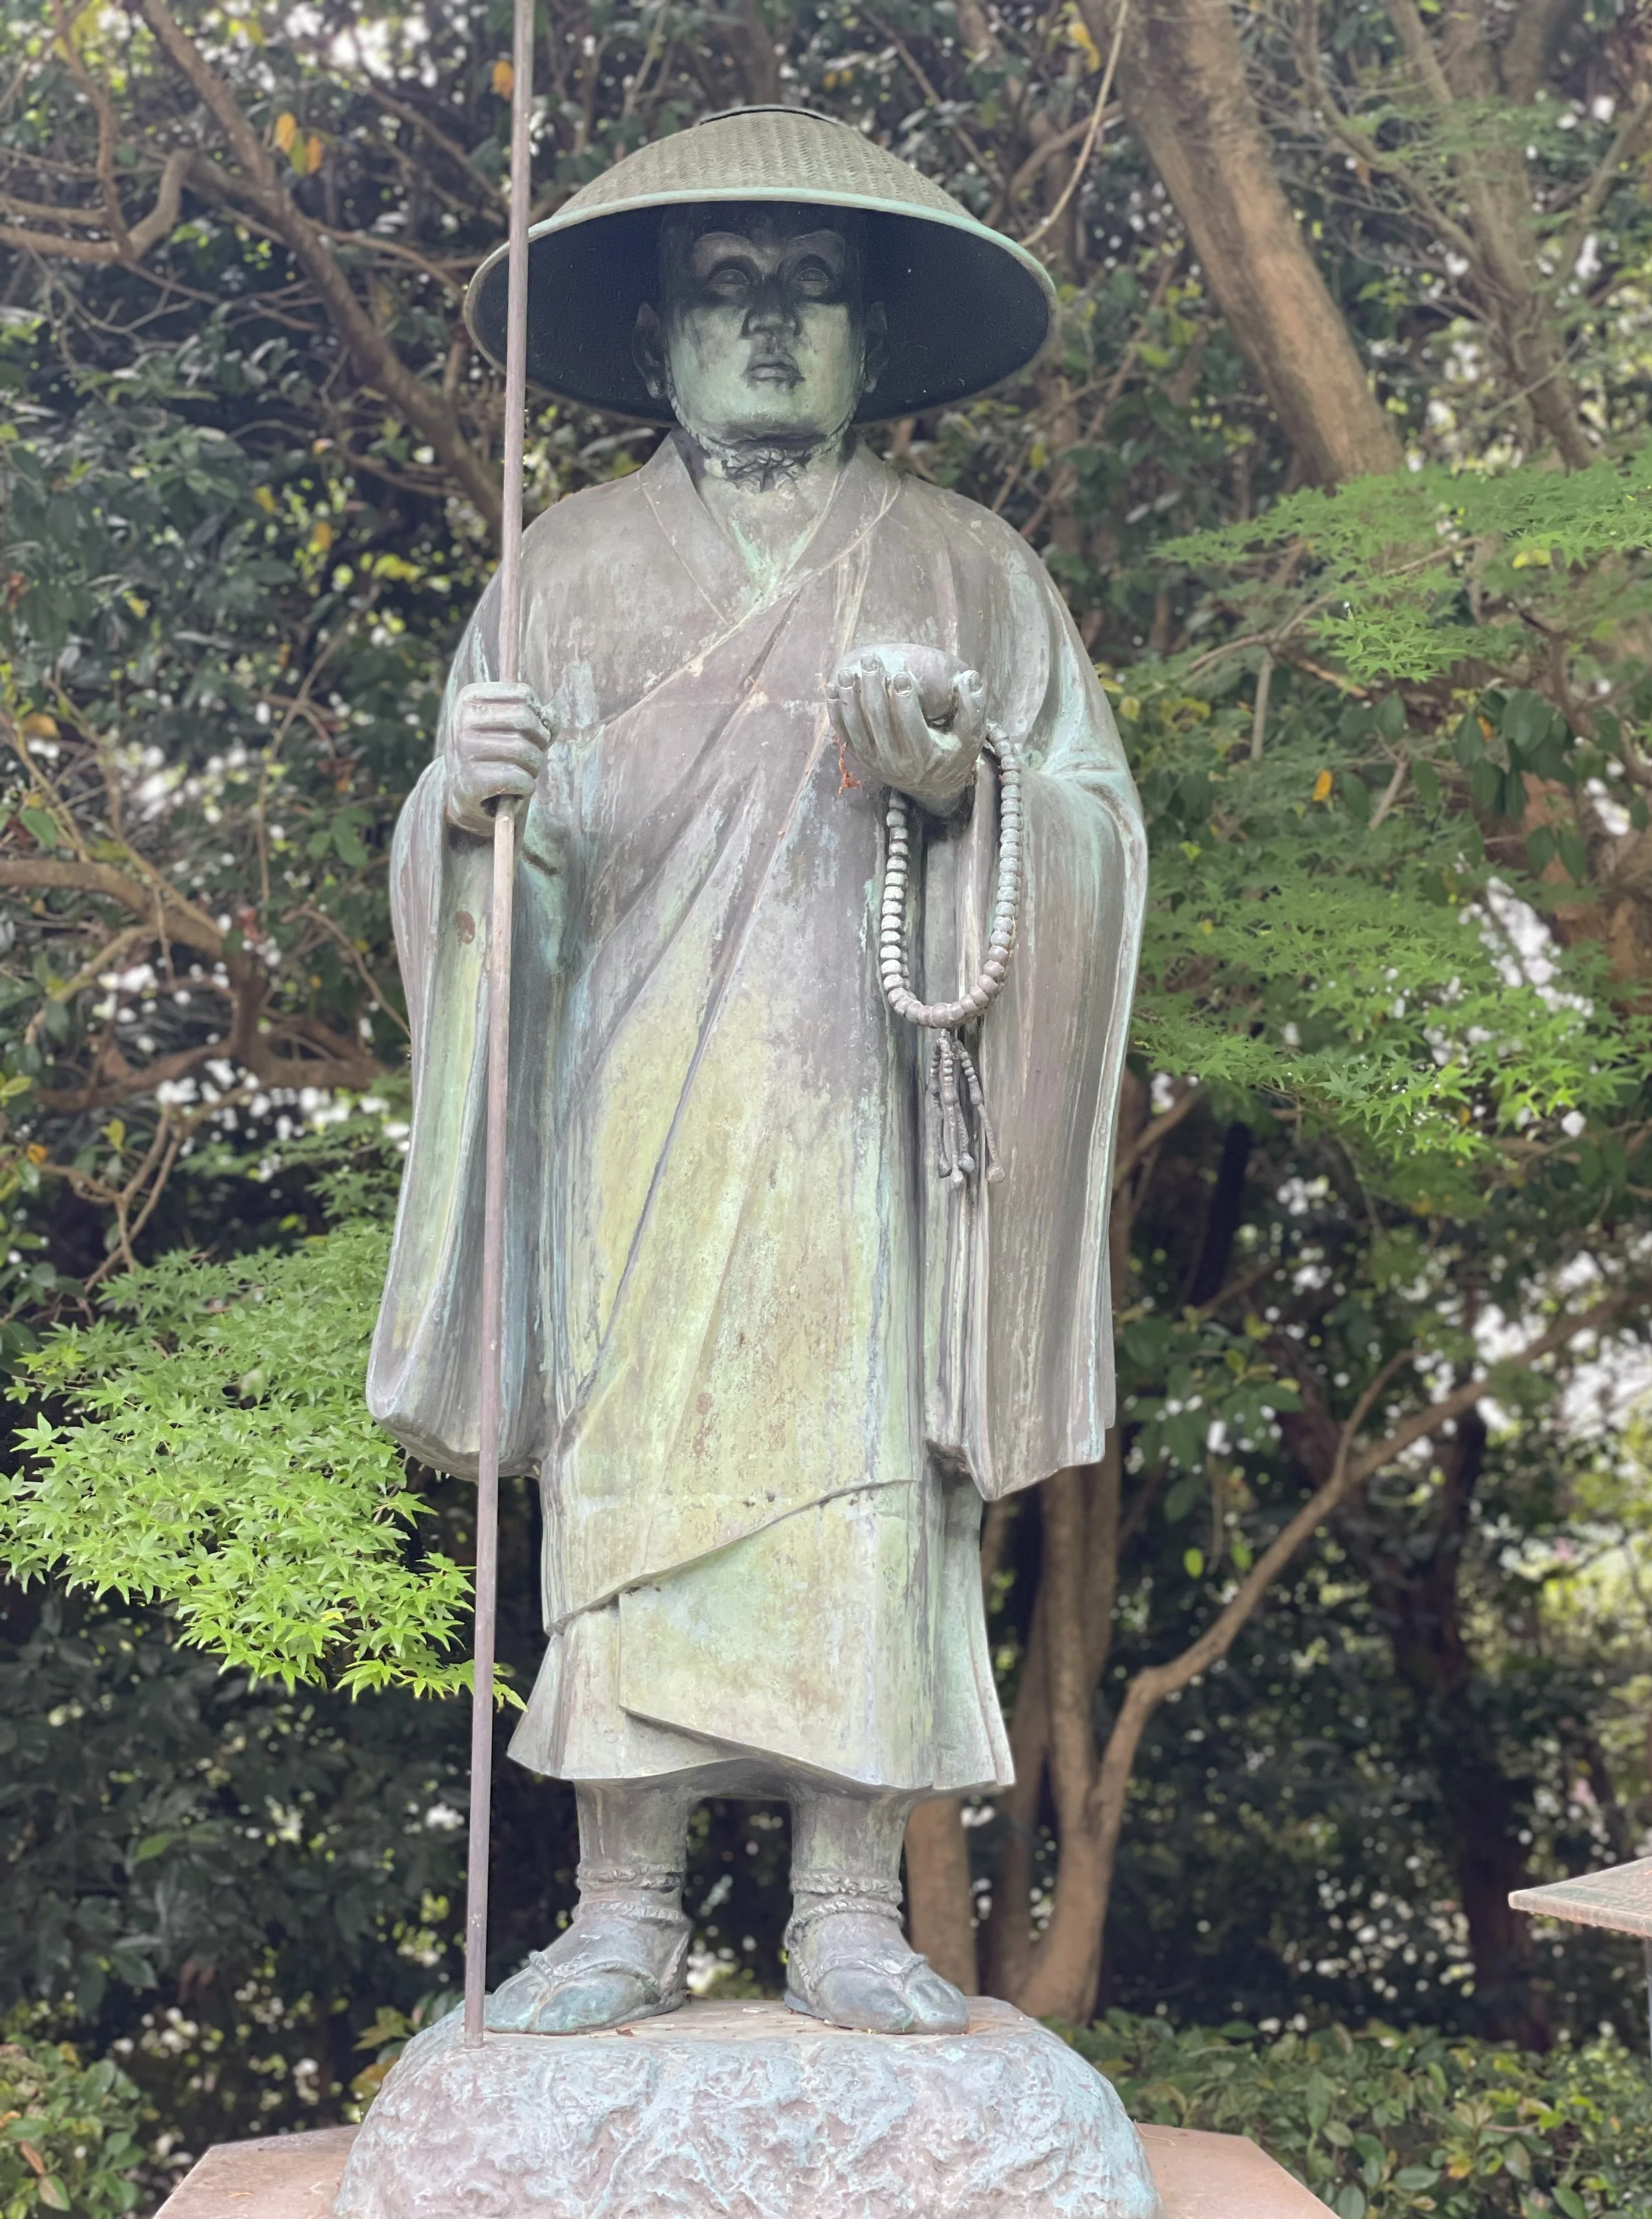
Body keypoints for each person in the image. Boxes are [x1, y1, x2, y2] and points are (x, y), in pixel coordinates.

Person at [367, 109, 1145, 2038]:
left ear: (873, 340)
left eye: (808, 290)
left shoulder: (967, 570)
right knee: (634, 1474)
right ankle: (619, 1903)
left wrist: (968, 794)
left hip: (867, 1118)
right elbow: (478, 863)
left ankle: (843, 1904)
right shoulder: (561, 571)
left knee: (859, 1483)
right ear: (658, 344)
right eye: (725, 292)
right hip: (631, 1106)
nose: (770, 325)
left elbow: (1098, 833)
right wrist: (468, 819)